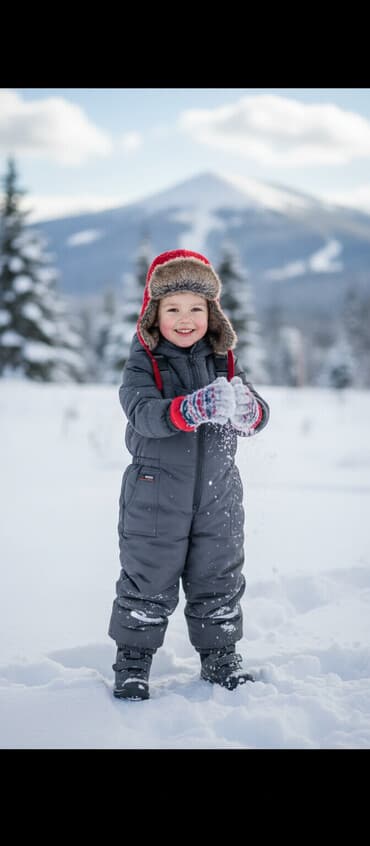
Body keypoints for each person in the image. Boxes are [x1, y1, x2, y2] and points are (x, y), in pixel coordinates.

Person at [108, 249, 269, 700]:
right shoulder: (144, 362)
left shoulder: (224, 360)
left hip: (218, 498)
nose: (185, 319)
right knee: (147, 579)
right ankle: (133, 662)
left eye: (196, 309)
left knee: (218, 578)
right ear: (153, 314)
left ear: (212, 313)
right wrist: (189, 409)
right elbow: (142, 413)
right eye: (172, 309)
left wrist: (249, 411)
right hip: (154, 496)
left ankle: (220, 658)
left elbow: (259, 413)